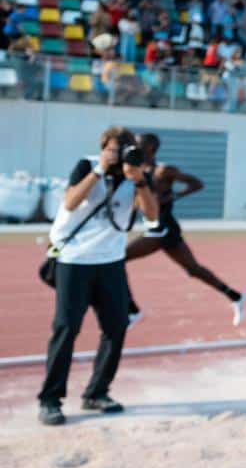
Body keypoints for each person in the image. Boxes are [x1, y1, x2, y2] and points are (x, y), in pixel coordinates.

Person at [37, 127, 160, 426]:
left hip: (110, 262)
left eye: (126, 150)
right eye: (115, 150)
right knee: (66, 328)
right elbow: (69, 203)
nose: (120, 156)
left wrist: (139, 180)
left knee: (117, 326)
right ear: (103, 148)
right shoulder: (85, 165)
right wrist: (99, 170)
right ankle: (50, 400)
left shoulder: (137, 176)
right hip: (75, 260)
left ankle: (97, 392)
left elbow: (153, 217)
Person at [123, 134, 246, 327]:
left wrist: (172, 196)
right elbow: (136, 201)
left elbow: (197, 183)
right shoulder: (135, 171)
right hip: (155, 228)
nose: (134, 147)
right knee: (193, 270)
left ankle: (132, 311)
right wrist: (127, 222)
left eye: (139, 144)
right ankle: (236, 296)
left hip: (163, 228)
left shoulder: (163, 171)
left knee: (118, 259)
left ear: (151, 149)